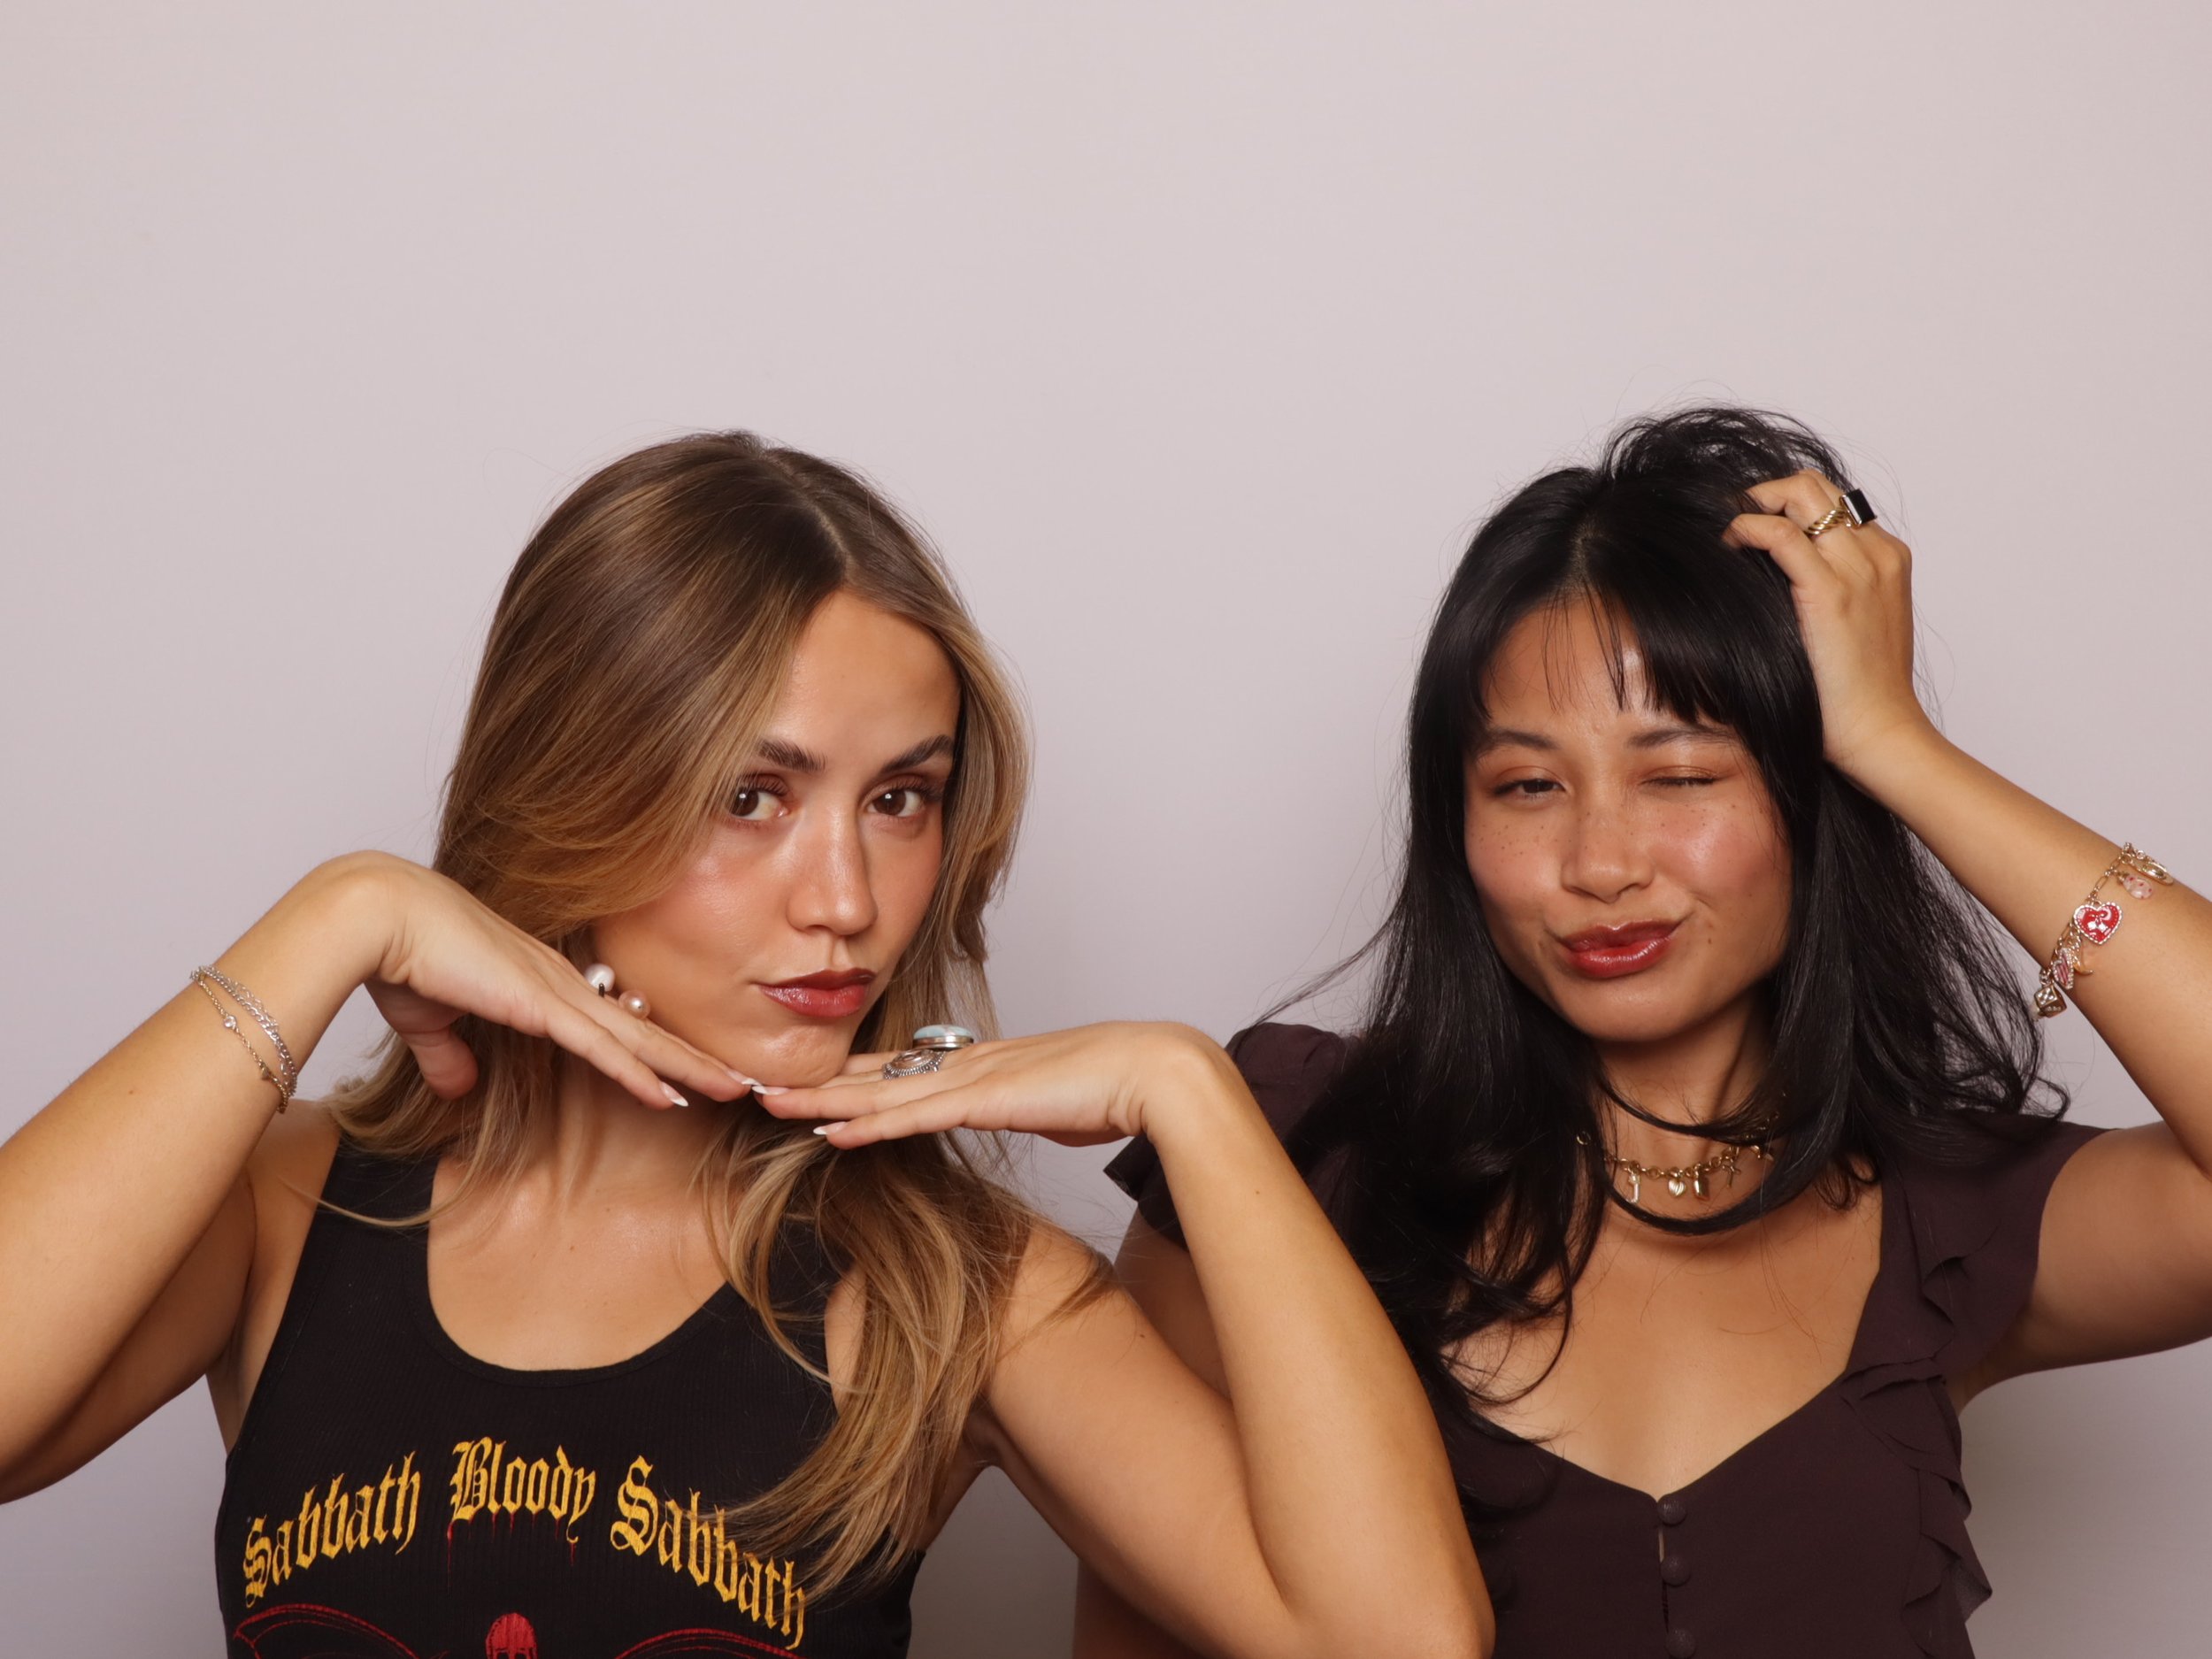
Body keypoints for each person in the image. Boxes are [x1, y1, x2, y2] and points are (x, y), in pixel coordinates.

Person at [0, 434, 1489, 1659]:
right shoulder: (294, 1209)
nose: (846, 901)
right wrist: (336, 918)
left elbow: (1403, 1645)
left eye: (901, 798)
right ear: (574, 785)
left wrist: (1190, 1091)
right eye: (751, 796)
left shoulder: (953, 1297)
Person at [1084, 406, 2212, 1659]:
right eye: (1526, 786)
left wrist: (1900, 745)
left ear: (1808, 792)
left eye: (1680, 776)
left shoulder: (1949, 1216)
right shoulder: (1282, 1156)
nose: (1598, 863)